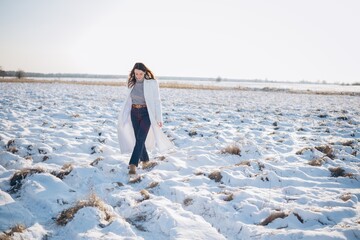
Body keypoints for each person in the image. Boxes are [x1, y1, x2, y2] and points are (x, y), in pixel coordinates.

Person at [117, 62, 173, 174]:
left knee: (140, 138)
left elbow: (157, 101)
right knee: (138, 138)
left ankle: (133, 164)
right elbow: (128, 100)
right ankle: (145, 160)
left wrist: (159, 118)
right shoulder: (130, 83)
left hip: (146, 113)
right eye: (136, 74)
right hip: (133, 112)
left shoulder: (152, 83)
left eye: (140, 74)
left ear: (145, 72)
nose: (138, 76)